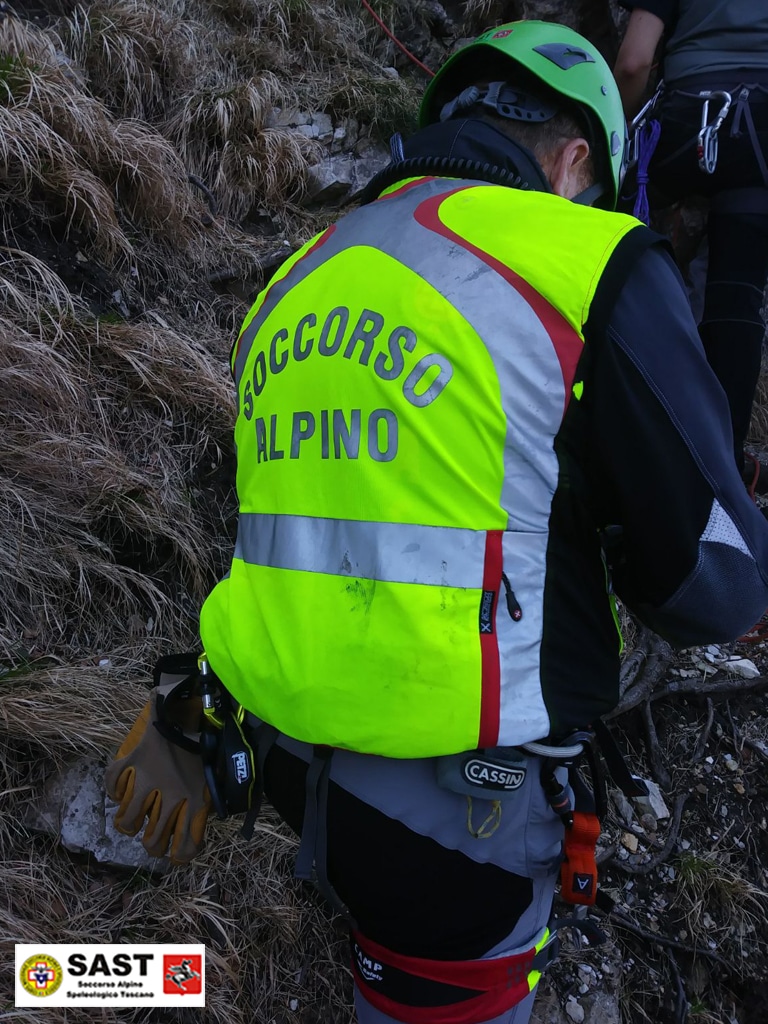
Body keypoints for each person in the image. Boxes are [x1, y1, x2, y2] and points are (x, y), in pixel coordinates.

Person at [106, 20, 768, 1024]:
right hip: (462, 814)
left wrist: (201, 694)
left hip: (286, 762)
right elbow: (708, 586)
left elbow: (315, 528)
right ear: (573, 157)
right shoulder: (586, 261)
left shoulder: (295, 280)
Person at [614, 0, 768, 481]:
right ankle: (724, 466)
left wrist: (617, 144)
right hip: (762, 130)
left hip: (691, 121)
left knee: (620, 230)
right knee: (737, 292)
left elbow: (634, 61)